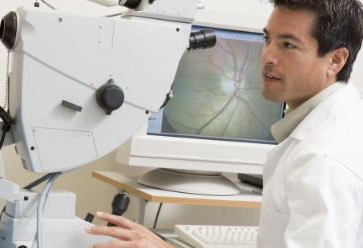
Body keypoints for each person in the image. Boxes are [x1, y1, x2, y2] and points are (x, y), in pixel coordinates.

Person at [86, 0, 363, 247]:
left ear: (335, 60)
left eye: (288, 45)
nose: (267, 56)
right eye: (268, 39)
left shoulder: (324, 159)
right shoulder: (331, 125)